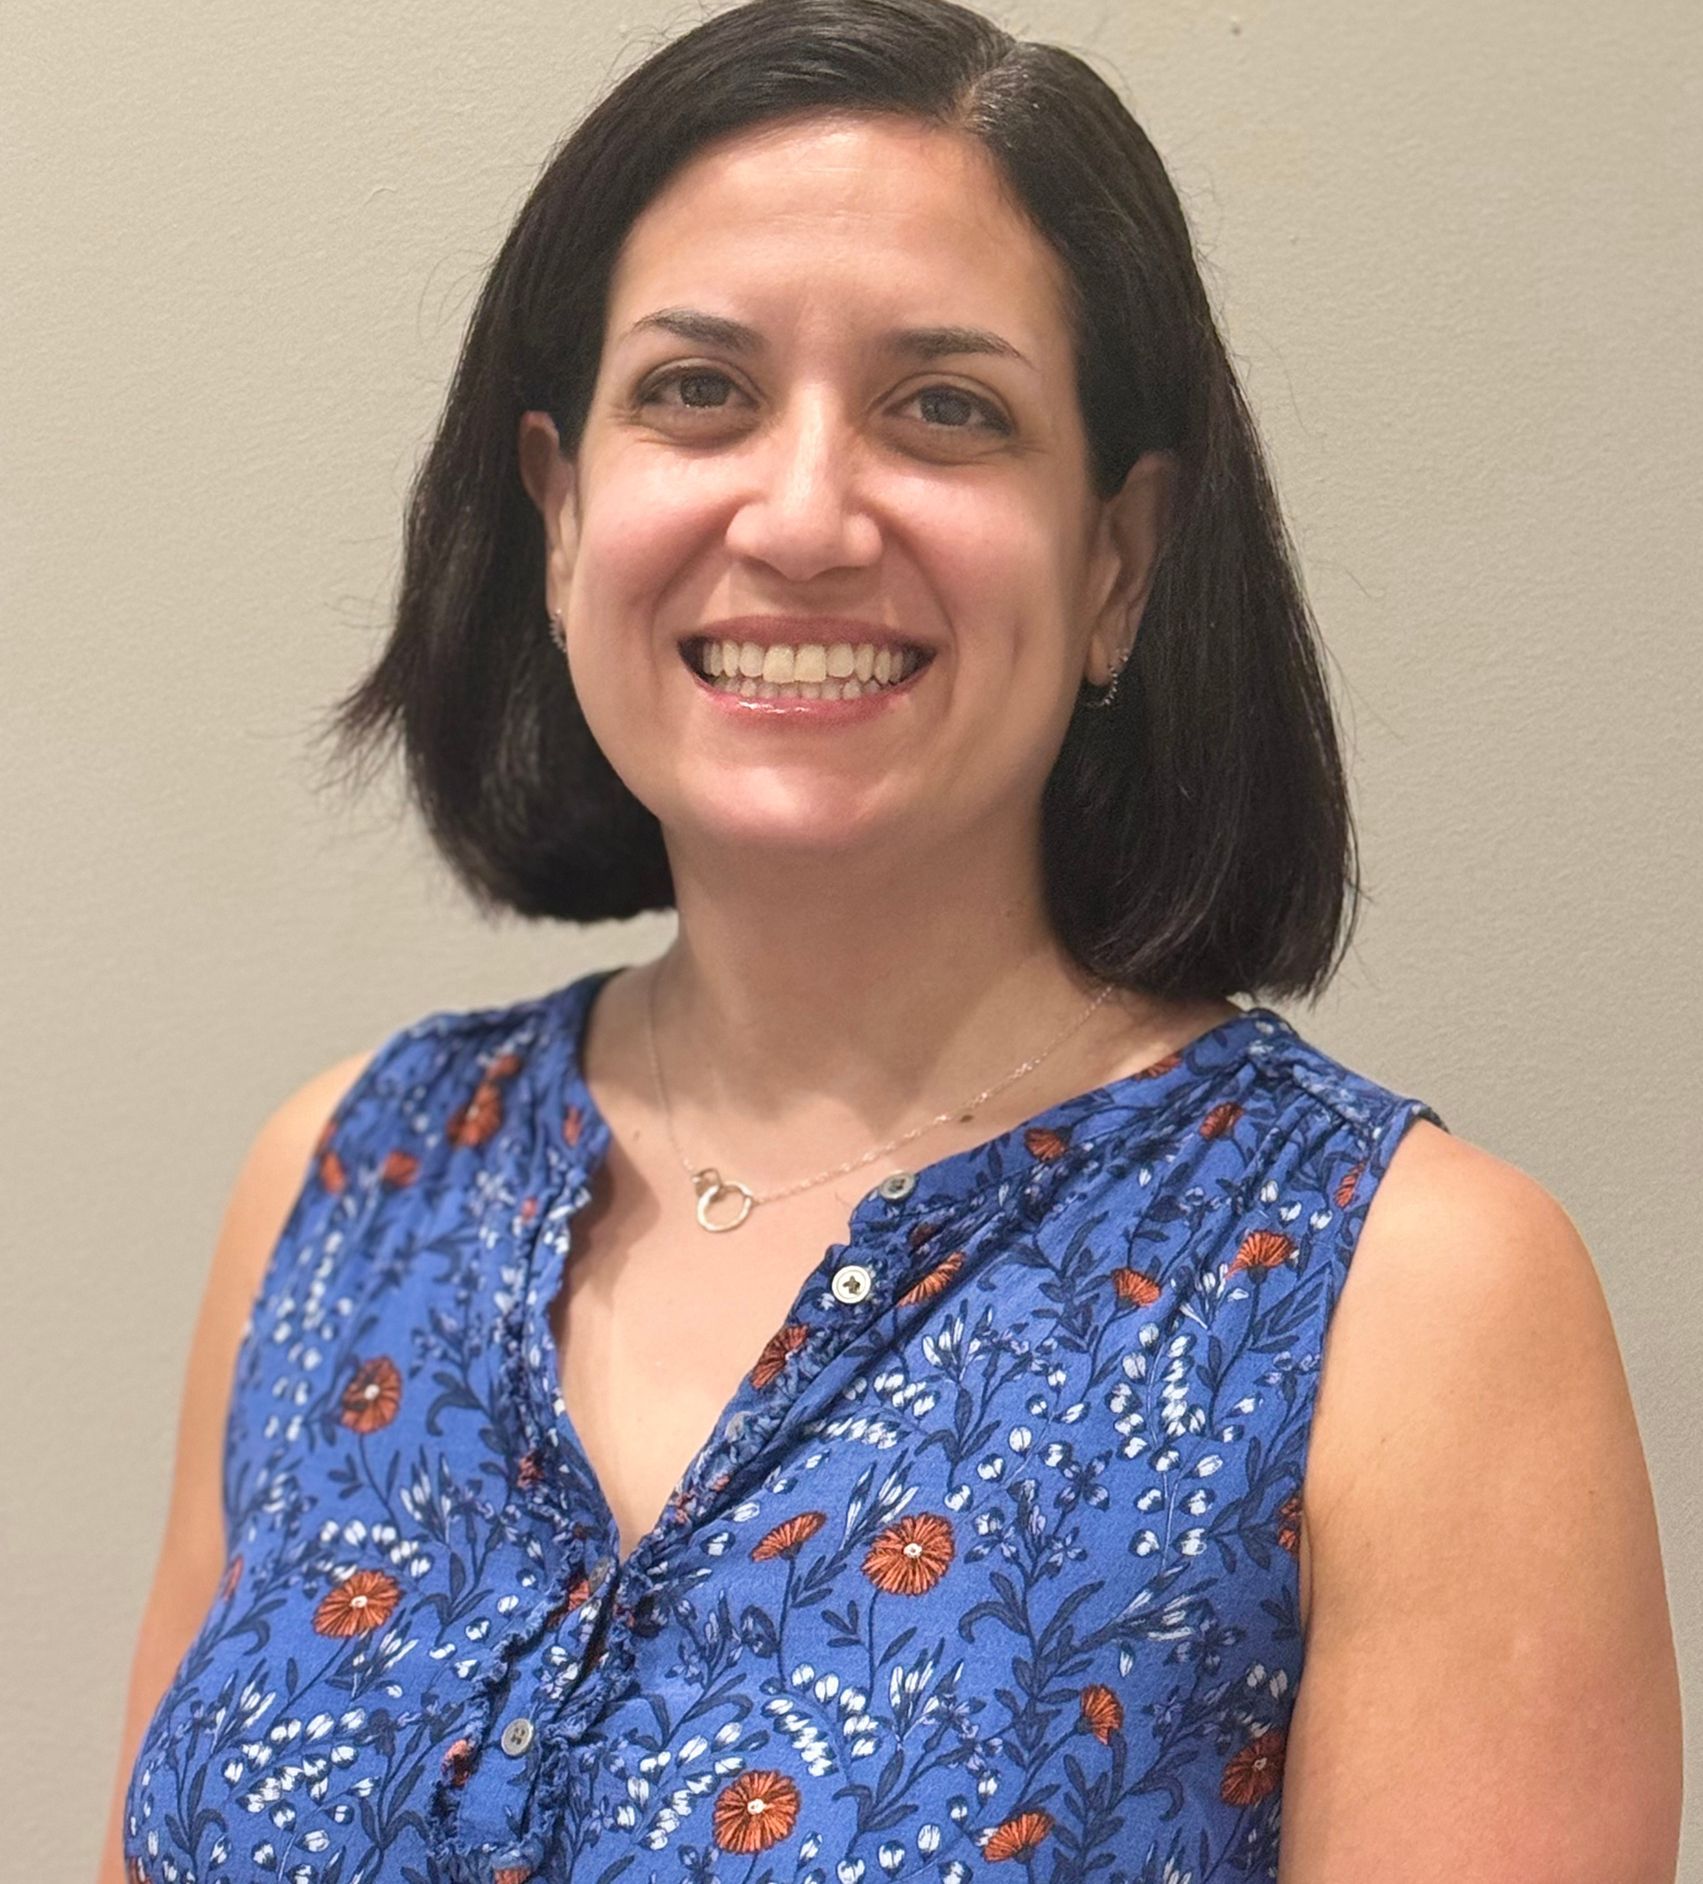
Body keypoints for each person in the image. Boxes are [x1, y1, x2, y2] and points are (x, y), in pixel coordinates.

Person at [101, 1, 1682, 1879]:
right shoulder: (340, 1186)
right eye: (698, 391)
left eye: (949, 407)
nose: (804, 513)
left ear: (1118, 560)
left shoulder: (1413, 1304)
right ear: (557, 512)